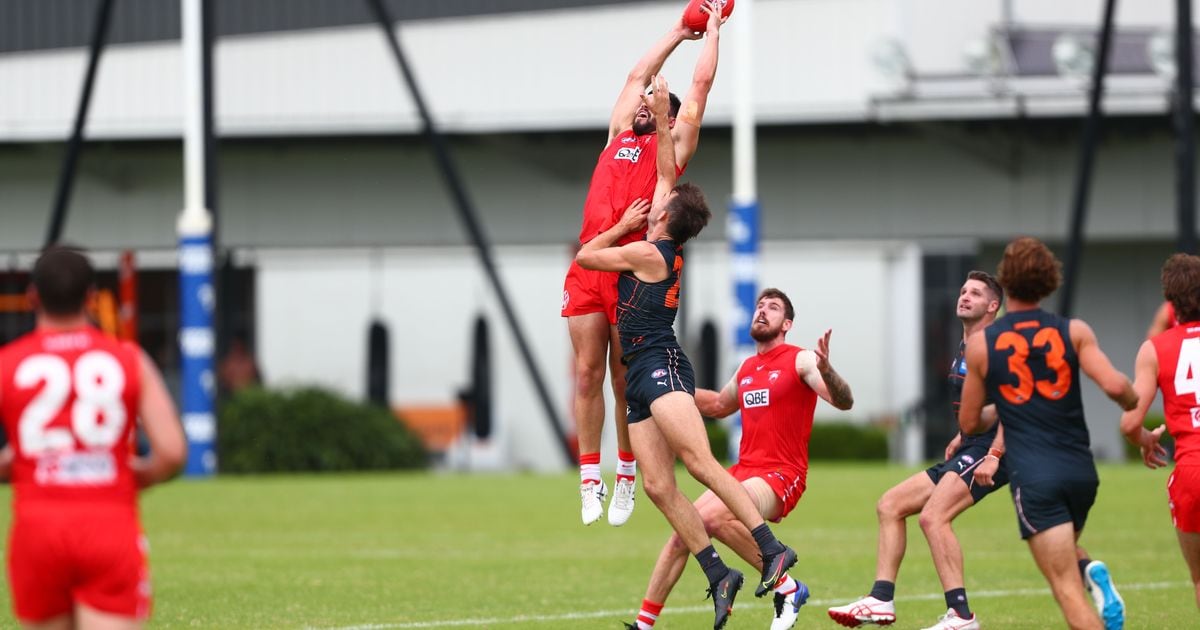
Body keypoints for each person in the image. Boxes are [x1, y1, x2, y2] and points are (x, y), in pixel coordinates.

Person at [577, 76, 796, 630]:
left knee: (699, 465)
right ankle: (718, 572)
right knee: (657, 486)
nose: (657, 190)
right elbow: (669, 162)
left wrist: (621, 226)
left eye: (661, 197)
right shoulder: (660, 235)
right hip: (639, 373)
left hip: (663, 366)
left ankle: (771, 550)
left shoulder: (650, 251)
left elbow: (586, 255)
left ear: (664, 215)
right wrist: (660, 104)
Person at [562, 0, 726, 527]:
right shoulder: (616, 138)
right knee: (586, 373)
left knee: (620, 375)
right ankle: (591, 479)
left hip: (629, 267)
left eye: (653, 104)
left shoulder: (670, 151)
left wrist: (715, 32)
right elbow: (639, 73)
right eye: (641, 101)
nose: (642, 101)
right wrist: (682, 29)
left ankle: (626, 473)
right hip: (591, 259)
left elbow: (698, 92)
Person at [624, 287, 854, 630]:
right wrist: (663, 387)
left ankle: (787, 587)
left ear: (787, 323)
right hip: (742, 472)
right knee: (684, 531)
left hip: (781, 475)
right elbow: (719, 405)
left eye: (772, 308)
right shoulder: (747, 367)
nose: (762, 311)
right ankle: (644, 625)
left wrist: (828, 370)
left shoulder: (800, 359)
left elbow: (844, 401)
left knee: (710, 519)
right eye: (759, 306)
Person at [0, 246, 186, 630]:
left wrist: (17, 465)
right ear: (91, 297)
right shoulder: (127, 358)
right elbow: (171, 452)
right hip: (108, 523)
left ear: (33, 296)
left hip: (38, 529)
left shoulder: (8, 362)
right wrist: (137, 475)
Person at [959, 236, 1137, 630]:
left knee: (1066, 591)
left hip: (1036, 478)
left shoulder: (983, 344)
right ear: (1049, 280)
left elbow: (970, 423)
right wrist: (1133, 403)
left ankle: (1088, 579)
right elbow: (1114, 386)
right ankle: (1092, 574)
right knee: (1070, 561)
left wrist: (1002, 405)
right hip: (1081, 473)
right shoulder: (1073, 330)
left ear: (1005, 283)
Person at [828, 271, 1007, 630]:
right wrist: (962, 434)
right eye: (963, 290)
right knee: (890, 505)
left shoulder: (994, 344)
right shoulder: (966, 343)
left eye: (975, 293)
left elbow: (1012, 404)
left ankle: (962, 616)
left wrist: (995, 454)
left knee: (933, 517)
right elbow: (978, 405)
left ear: (993, 305)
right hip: (972, 445)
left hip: (995, 450)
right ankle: (880, 599)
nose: (965, 296)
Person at [1120, 253, 1200, 611]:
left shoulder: (1154, 348)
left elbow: (1130, 423)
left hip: (1191, 472)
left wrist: (1146, 440)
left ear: (1170, 300)